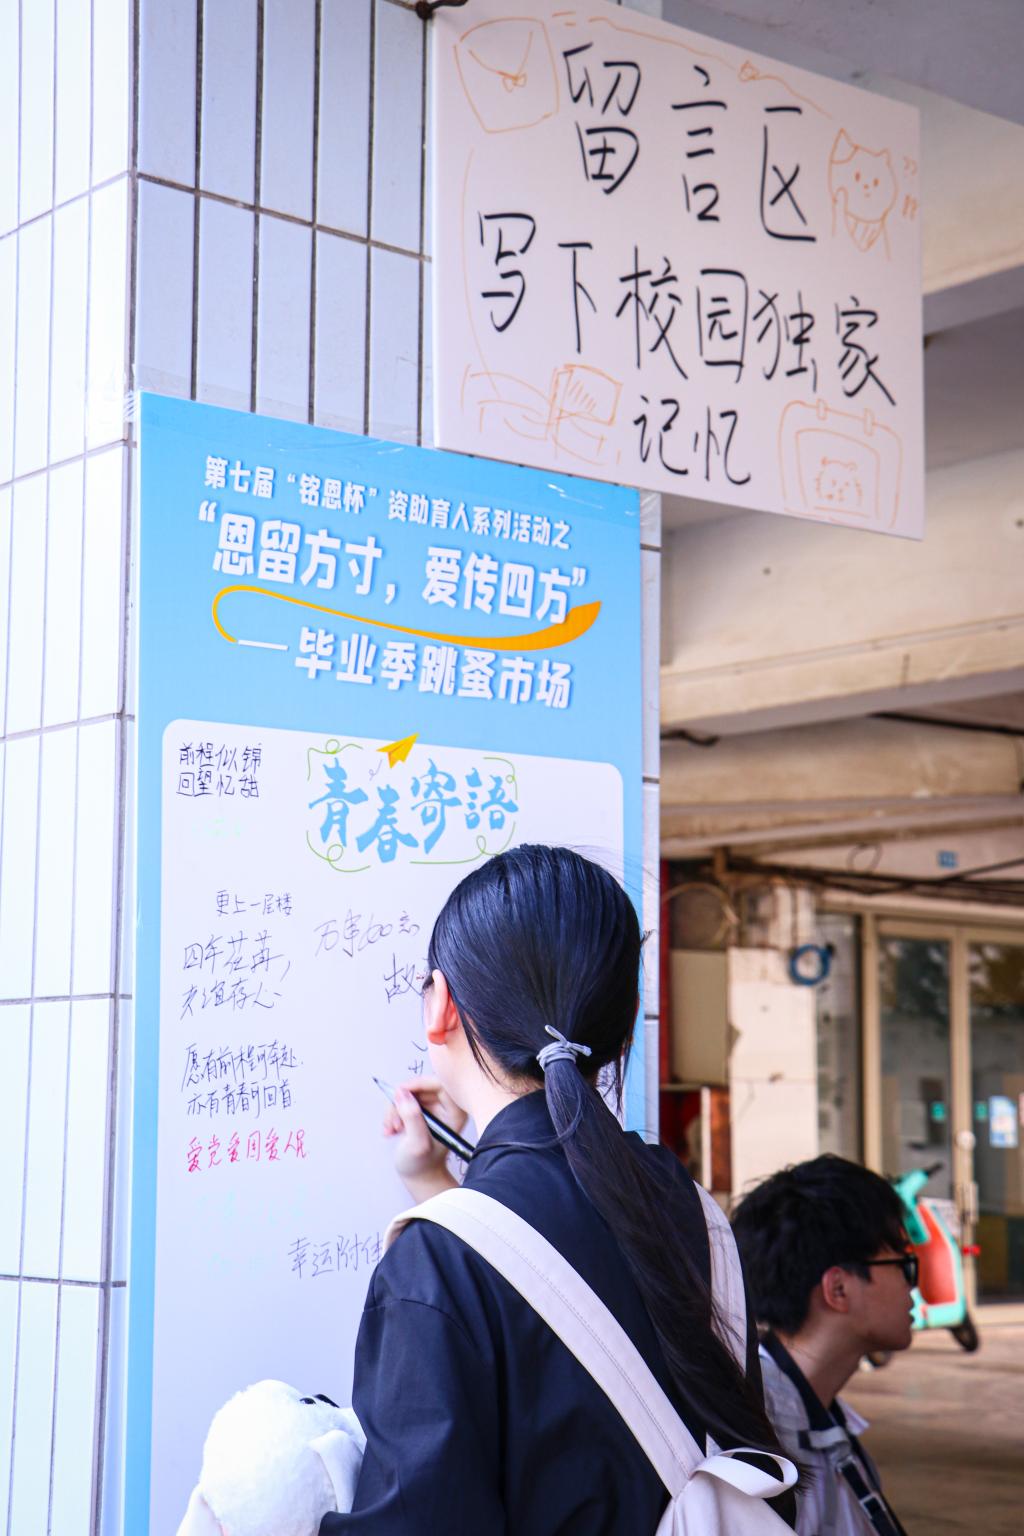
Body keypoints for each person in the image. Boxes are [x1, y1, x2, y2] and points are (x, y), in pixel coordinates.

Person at [321, 845, 793, 1534]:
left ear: (440, 1005)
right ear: (626, 1019)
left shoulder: (435, 1264)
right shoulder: (690, 1206)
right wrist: (433, 1182)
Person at [731, 1156, 915, 1536]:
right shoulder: (761, 1447)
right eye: (902, 1265)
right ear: (838, 1289)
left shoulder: (818, 1419)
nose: (911, 1285)